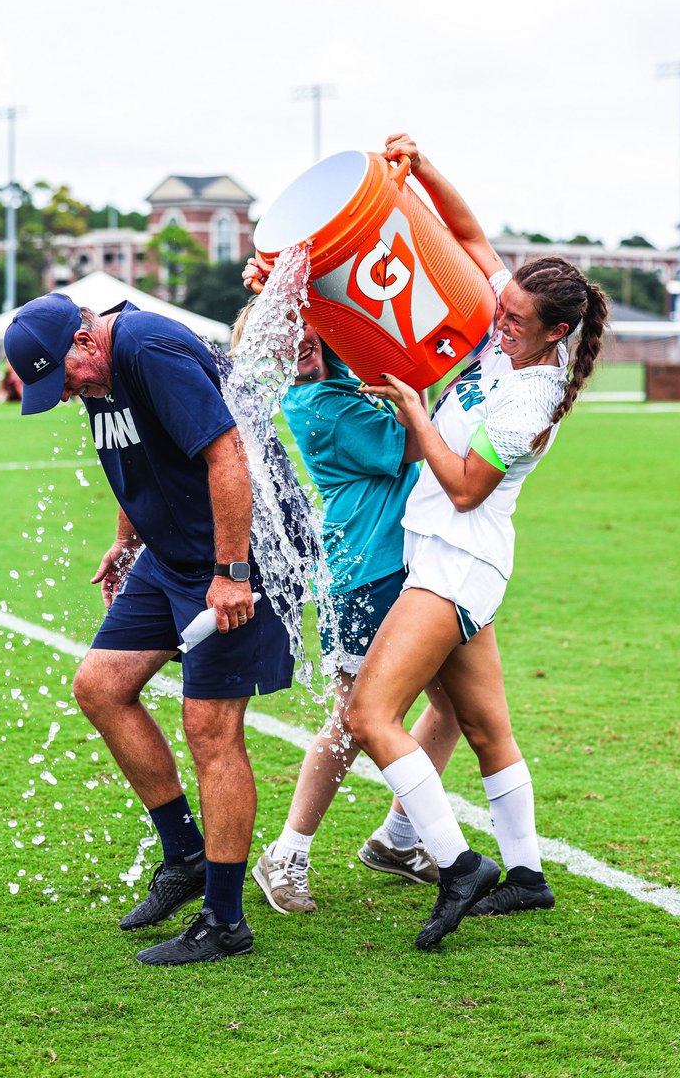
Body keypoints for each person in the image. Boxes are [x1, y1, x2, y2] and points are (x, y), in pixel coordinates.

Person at [341, 133, 608, 950]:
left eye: (516, 321)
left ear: (556, 332)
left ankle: (459, 865)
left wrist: (413, 408)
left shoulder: (533, 400)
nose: (499, 322)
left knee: (370, 714)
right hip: (459, 562)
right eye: (503, 307)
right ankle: (525, 875)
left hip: (456, 565)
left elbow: (462, 485)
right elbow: (465, 233)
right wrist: (419, 173)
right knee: (486, 727)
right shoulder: (515, 321)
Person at [4, 291, 295, 966]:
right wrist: (127, 539)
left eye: (67, 379)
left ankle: (225, 922)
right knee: (100, 686)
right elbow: (131, 460)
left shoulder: (147, 349)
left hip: (236, 557)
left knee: (210, 729)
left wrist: (232, 571)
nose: (70, 394)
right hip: (167, 559)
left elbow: (227, 456)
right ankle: (186, 856)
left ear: (84, 341)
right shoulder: (95, 372)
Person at [229, 295, 463, 915]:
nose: (301, 341)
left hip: (406, 567)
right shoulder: (321, 406)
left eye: (308, 328)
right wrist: (419, 368)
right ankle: (287, 853)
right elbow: (419, 444)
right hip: (367, 574)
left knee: (453, 706)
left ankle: (398, 838)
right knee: (354, 718)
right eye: (286, 338)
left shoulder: (341, 379)